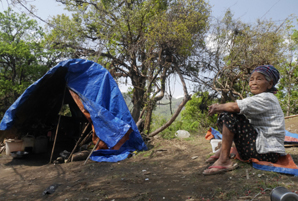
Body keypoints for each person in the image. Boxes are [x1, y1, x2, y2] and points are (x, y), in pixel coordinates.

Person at [203, 65, 286, 175]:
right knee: (228, 114)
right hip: (264, 150)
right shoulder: (259, 98)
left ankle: (224, 160)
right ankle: (223, 151)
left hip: (266, 152)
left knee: (229, 113)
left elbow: (235, 107)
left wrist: (218, 107)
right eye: (251, 79)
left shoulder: (267, 98)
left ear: (270, 84)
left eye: (259, 79)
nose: (254, 82)